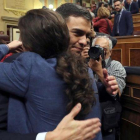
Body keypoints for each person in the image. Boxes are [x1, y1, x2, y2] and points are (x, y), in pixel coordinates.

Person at [0, 3, 119, 140]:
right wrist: (45, 137)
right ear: (57, 30)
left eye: (87, 35)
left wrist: (105, 90)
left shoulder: (84, 67)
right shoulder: (21, 64)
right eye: (77, 33)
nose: (85, 41)